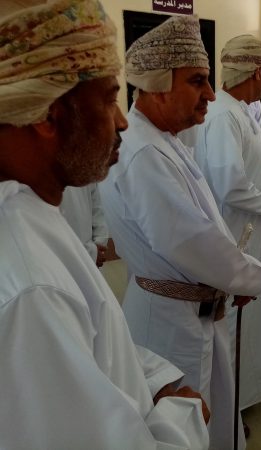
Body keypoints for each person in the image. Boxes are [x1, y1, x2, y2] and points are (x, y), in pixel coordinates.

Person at [0, 1, 210, 448]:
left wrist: (154, 384)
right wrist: (184, 413)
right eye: (110, 99)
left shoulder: (30, 211)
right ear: (49, 115)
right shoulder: (32, 289)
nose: (121, 122)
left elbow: (96, 354)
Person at [99, 17, 261, 450]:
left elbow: (204, 222)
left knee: (211, 419)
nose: (211, 94)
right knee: (186, 430)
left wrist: (233, 277)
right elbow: (189, 240)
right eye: (197, 81)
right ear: (158, 87)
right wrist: (249, 277)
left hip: (192, 310)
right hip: (168, 325)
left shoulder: (165, 140)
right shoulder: (143, 153)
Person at [180, 35, 261, 411]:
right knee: (239, 316)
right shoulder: (225, 114)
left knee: (249, 314)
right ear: (257, 72)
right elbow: (231, 185)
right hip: (238, 230)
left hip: (247, 227)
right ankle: (232, 403)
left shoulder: (237, 109)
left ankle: (245, 392)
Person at [60, 184, 109, 267]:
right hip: (60, 257)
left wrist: (98, 247)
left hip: (91, 254)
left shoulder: (89, 178)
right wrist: (91, 253)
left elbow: (98, 210)